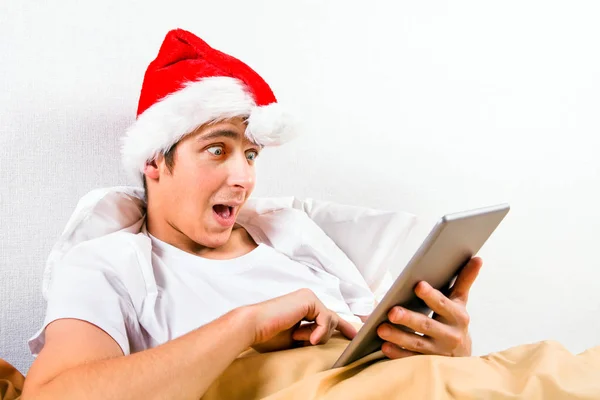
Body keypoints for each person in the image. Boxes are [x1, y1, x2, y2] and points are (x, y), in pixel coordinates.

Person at [22, 29, 482, 399]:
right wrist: (246, 325)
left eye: (252, 154)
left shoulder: (294, 238)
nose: (243, 178)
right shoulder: (109, 263)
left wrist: (452, 349)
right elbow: (52, 395)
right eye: (217, 150)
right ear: (154, 161)